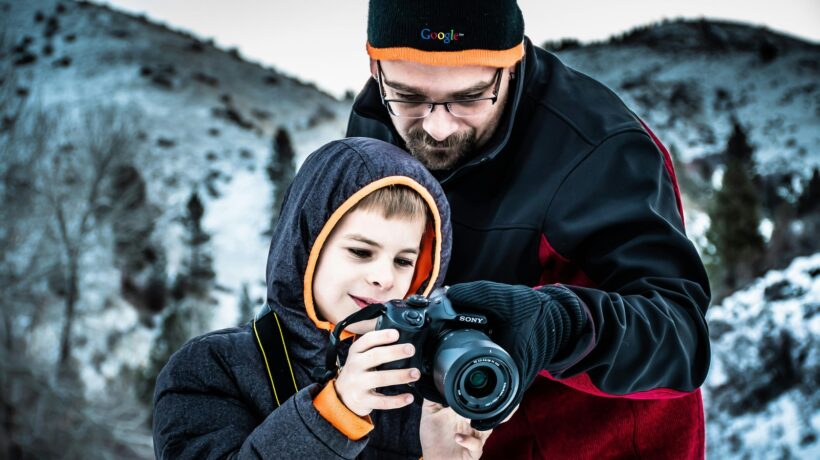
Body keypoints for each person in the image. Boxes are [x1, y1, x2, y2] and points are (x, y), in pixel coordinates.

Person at [346, 1, 712, 458]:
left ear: (512, 63)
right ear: (375, 66)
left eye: (469, 98)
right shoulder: (375, 124)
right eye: (410, 97)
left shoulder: (598, 151)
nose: (437, 128)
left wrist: (560, 325)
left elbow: (681, 343)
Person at [153, 138, 490, 459]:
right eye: (361, 251)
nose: (385, 278)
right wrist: (335, 414)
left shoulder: (422, 386)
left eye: (403, 261)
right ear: (305, 247)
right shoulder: (210, 369)